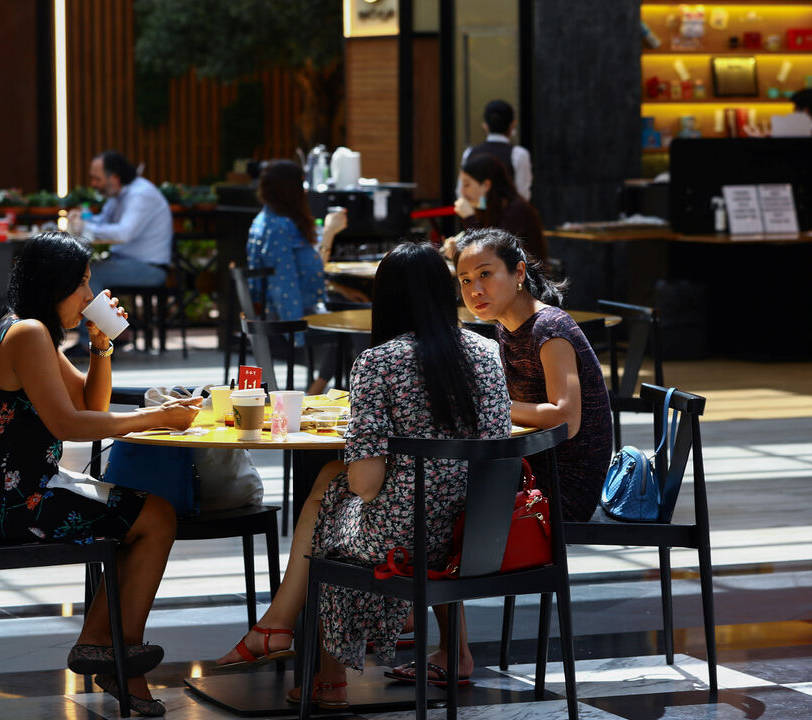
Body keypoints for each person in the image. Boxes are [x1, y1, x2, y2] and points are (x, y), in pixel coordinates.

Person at [214, 241, 512, 709]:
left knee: (333, 514)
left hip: (406, 540)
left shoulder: (379, 362)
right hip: (479, 532)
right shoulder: (487, 351)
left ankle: (304, 652)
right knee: (332, 487)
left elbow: (365, 484)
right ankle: (289, 638)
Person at [0, 231, 200, 717]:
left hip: (7, 498)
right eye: (81, 284)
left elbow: (92, 404)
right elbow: (71, 425)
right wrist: (157, 417)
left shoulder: (23, 329)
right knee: (156, 517)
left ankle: (112, 655)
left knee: (148, 514)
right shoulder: (28, 334)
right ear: (54, 285)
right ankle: (102, 645)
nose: (90, 297)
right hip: (11, 507)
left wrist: (101, 347)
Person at [401, 227, 612, 685]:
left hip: (564, 486)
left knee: (436, 507)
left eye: (485, 274)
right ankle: (423, 623)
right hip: (535, 469)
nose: (475, 290)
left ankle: (440, 640)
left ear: (518, 273)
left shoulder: (550, 328)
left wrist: (487, 402)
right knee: (435, 492)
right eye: (464, 280)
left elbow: (566, 419)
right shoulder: (506, 328)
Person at [246, 159, 367, 394]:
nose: (305, 189)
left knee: (355, 315)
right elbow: (285, 286)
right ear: (289, 190)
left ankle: (324, 390)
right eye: (301, 183)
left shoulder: (265, 220)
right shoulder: (280, 227)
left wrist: (338, 288)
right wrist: (329, 234)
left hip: (280, 311)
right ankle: (346, 394)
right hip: (286, 318)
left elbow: (298, 275)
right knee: (357, 328)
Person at [67, 150, 174, 353]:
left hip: (150, 268)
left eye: (97, 178)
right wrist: (83, 219)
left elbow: (124, 233)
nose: (94, 184)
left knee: (90, 275)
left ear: (114, 177)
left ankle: (90, 342)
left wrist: (85, 228)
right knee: (88, 270)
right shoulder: (119, 194)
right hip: (127, 261)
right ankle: (114, 333)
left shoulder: (140, 194)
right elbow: (102, 222)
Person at [450, 152, 546, 263]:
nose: (462, 191)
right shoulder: (487, 208)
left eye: (467, 184)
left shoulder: (517, 209)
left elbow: (492, 253)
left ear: (486, 185)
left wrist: (469, 217)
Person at [457, 99, 533, 201]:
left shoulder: (470, 153)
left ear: (485, 126)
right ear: (513, 125)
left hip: (477, 214)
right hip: (507, 215)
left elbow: (461, 193)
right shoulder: (519, 154)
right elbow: (523, 194)